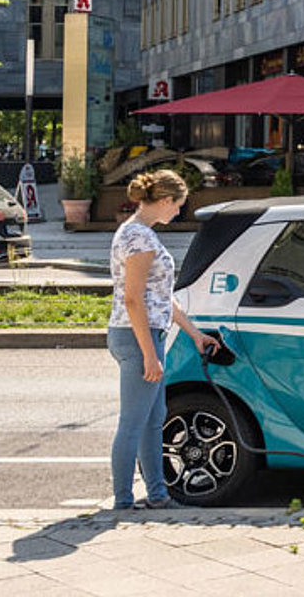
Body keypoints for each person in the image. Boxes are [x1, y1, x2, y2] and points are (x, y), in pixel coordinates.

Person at [108, 169, 216, 510]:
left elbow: (161, 296)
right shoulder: (140, 238)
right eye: (178, 206)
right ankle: (124, 501)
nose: (178, 213)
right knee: (133, 422)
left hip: (142, 332)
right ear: (166, 200)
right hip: (138, 335)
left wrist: (194, 333)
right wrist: (149, 355)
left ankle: (157, 495)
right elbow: (134, 299)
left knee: (154, 420)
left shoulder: (140, 233)